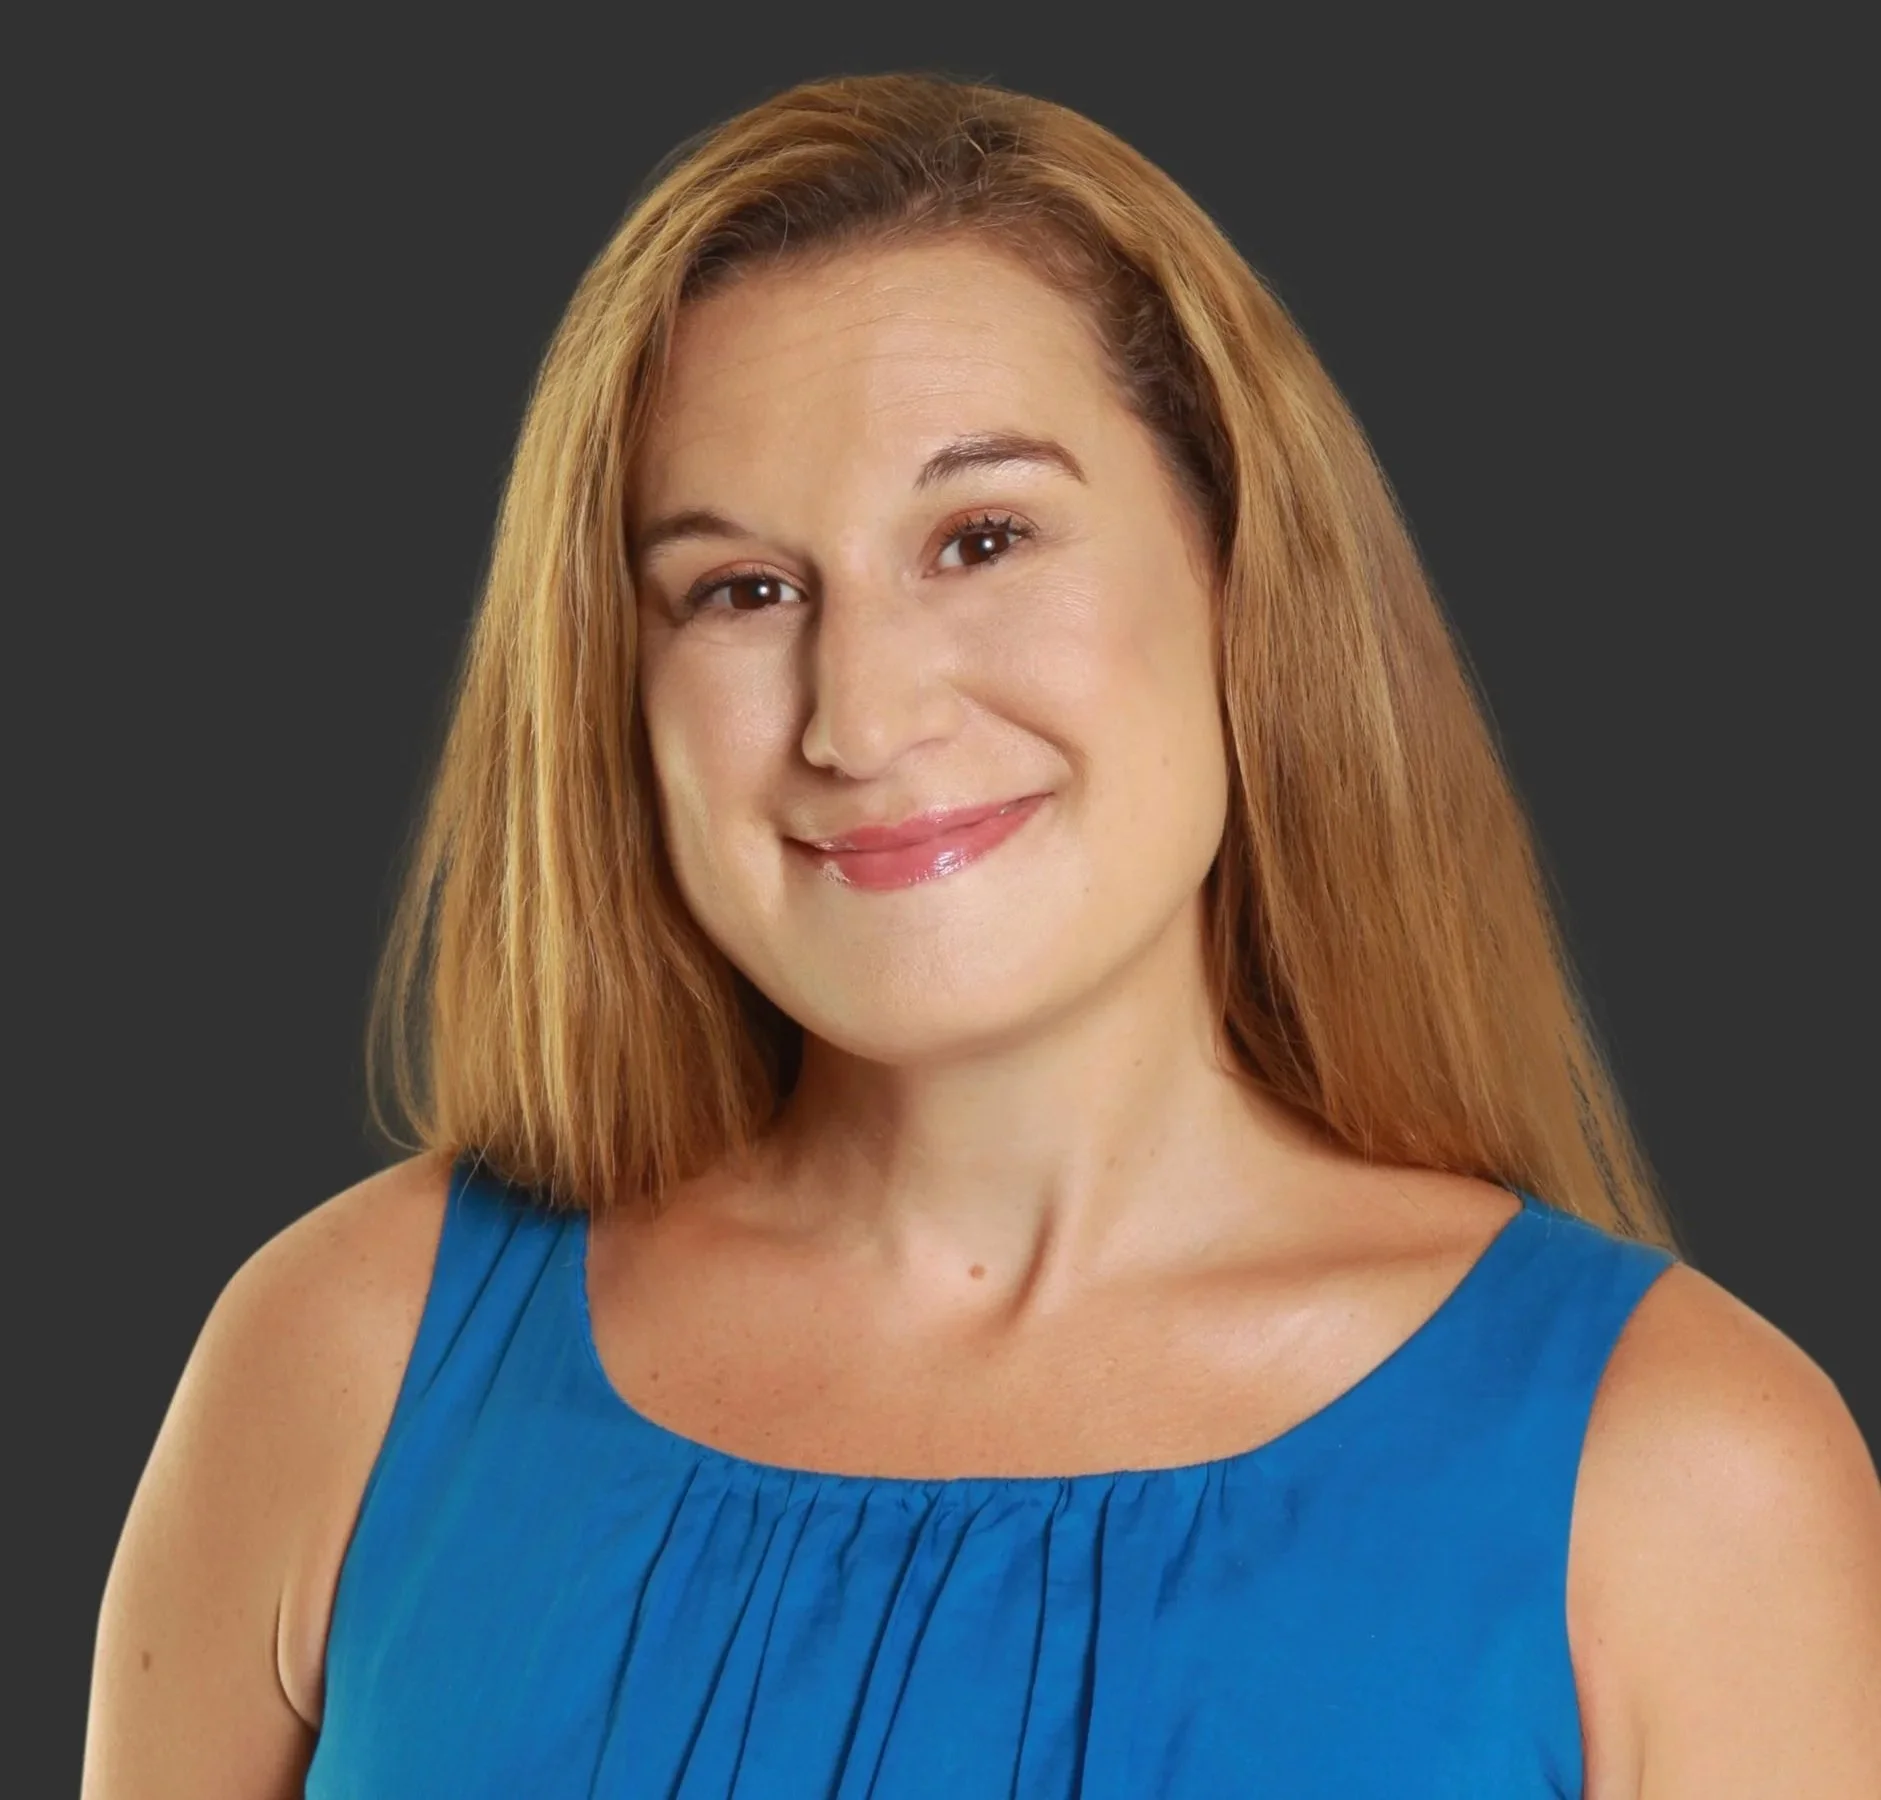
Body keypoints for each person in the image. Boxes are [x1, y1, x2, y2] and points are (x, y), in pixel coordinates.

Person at [83, 72, 1880, 1798]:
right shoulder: (343, 1363)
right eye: (741, 590)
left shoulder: (1683, 1478)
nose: (857, 716)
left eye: (983, 536)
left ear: (1241, 576)